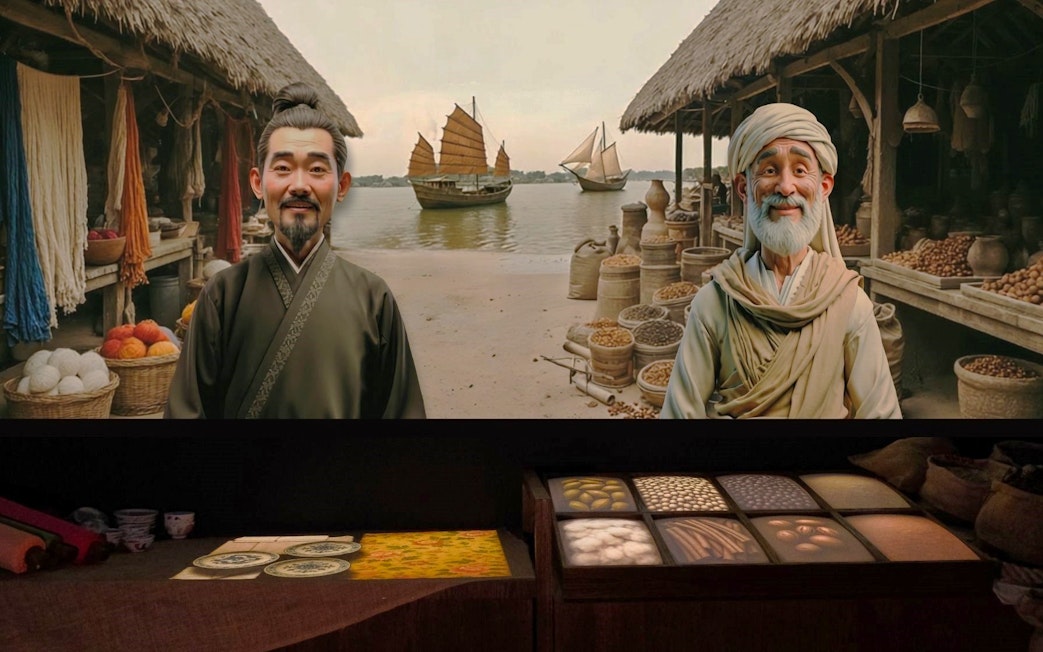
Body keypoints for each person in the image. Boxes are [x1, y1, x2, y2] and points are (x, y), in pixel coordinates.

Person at [165, 82, 426, 418]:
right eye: (283, 168)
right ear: (258, 183)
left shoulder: (374, 299)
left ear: (341, 186)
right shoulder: (222, 295)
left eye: (317, 169)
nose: (300, 185)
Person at [660, 102, 900, 419]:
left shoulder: (849, 302)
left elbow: (881, 422)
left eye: (800, 170)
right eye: (770, 170)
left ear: (824, 187)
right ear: (744, 188)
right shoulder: (716, 303)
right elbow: (680, 418)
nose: (786, 187)